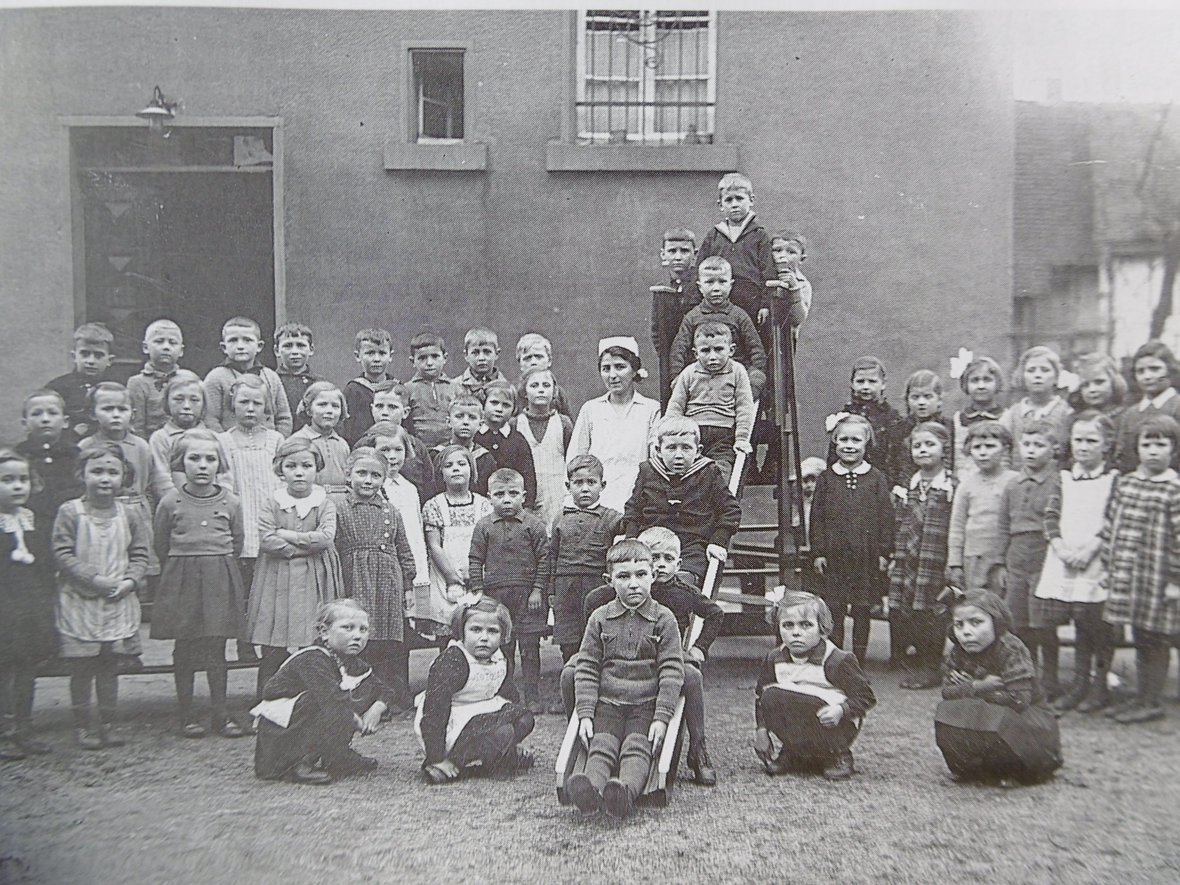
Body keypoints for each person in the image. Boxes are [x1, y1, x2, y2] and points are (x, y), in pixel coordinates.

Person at [564, 540, 684, 818]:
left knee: (636, 748)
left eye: (641, 575)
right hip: (608, 702)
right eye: (623, 576)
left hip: (646, 704)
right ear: (609, 581)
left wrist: (661, 717)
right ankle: (590, 791)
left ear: (653, 576)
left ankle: (624, 793)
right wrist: (585, 714)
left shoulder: (663, 619)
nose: (633, 584)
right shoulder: (599, 618)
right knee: (601, 746)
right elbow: (587, 667)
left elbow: (671, 669)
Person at [152, 428, 249, 738]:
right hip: (182, 578)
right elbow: (161, 542)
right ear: (180, 462)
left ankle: (220, 714)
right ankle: (186, 714)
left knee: (216, 647)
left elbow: (237, 540)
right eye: (194, 459)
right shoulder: (170, 501)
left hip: (219, 576)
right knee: (185, 647)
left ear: (220, 463)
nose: (203, 465)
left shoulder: (231, 501)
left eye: (210, 459)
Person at [52, 443, 149, 749]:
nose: (104, 479)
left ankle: (108, 723)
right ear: (82, 475)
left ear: (124, 476)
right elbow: (61, 552)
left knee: (109, 666)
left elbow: (140, 554)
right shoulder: (70, 512)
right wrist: (93, 579)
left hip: (117, 600)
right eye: (96, 472)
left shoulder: (130, 514)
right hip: (80, 602)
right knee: (82, 669)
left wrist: (130, 581)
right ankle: (83, 725)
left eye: (112, 472)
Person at [252, 599, 389, 784]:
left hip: (313, 715)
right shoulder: (312, 658)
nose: (357, 636)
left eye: (363, 630)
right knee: (326, 701)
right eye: (348, 628)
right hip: (282, 732)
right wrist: (354, 720)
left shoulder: (352, 662)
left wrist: (377, 709)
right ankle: (299, 763)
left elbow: (384, 689)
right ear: (325, 632)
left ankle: (337, 756)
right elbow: (331, 699)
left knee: (359, 691)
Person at [247, 436, 344, 697]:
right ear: (281, 469)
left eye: (306, 466)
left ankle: (313, 703)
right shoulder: (273, 503)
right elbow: (267, 539)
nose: (299, 472)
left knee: (313, 641)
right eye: (291, 466)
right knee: (274, 645)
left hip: (315, 578)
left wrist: (288, 536)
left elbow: (325, 538)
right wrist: (302, 548)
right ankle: (267, 702)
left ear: (317, 468)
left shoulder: (324, 503)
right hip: (277, 580)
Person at [1100, 414, 1180, 724]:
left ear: (1173, 450)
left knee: (1156, 638)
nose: (1153, 451)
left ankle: (1152, 699)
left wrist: (1175, 579)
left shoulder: (1174, 489)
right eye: (1147, 444)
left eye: (1161, 445)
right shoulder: (1127, 482)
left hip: (1158, 579)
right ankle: (1140, 696)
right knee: (1138, 635)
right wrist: (1109, 565)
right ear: (1137, 447)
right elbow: (1112, 525)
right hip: (1128, 576)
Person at [936, 590, 1062, 786]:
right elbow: (947, 692)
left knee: (997, 716)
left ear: (996, 622)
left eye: (976, 622)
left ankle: (1021, 771)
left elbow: (1019, 701)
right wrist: (979, 686)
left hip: (1031, 722)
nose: (966, 632)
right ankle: (971, 769)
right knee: (947, 712)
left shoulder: (1011, 648)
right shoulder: (959, 651)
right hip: (995, 707)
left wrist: (969, 690)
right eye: (959, 625)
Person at [1038, 411, 1118, 714]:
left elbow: (1112, 519)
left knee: (1095, 623)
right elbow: (1051, 516)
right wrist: (1060, 546)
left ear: (1106, 443)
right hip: (1064, 557)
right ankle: (1079, 683)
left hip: (1096, 560)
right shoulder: (1064, 478)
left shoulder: (1112, 479)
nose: (1083, 447)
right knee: (1069, 618)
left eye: (1091, 440)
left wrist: (1090, 551)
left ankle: (1099, 686)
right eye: (1078, 440)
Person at [753, 590, 876, 781]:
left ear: (822, 628)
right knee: (771, 696)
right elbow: (761, 697)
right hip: (799, 721)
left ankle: (838, 755)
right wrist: (761, 730)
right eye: (788, 625)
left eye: (806, 625)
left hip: (833, 723)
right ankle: (794, 751)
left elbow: (866, 697)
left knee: (811, 701)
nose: (796, 632)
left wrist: (841, 710)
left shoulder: (837, 660)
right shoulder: (774, 658)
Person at [415, 597, 536, 784]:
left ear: (503, 634)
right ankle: (449, 763)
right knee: (502, 731)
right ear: (462, 631)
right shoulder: (453, 661)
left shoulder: (499, 658)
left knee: (525, 718)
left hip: (482, 710)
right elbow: (434, 711)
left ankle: (502, 753)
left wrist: (514, 729)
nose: (484, 638)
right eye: (476, 630)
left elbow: (507, 692)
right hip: (454, 722)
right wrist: (436, 756)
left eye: (493, 631)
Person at [810, 414, 893, 666]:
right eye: (843, 439)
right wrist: (818, 552)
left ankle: (859, 661)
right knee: (835, 608)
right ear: (834, 443)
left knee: (862, 609)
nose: (849, 445)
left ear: (866, 444)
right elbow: (817, 518)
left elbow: (885, 518)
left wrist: (884, 552)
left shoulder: (876, 478)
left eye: (856, 440)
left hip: (865, 557)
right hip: (835, 557)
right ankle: (837, 662)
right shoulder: (826, 478)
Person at [336, 448, 415, 711]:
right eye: (362, 473)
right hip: (355, 579)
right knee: (358, 639)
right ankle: (360, 698)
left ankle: (387, 698)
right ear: (348, 475)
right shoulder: (338, 508)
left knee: (386, 640)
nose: (368, 480)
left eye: (375, 475)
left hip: (387, 582)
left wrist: (407, 585)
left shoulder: (391, 511)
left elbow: (404, 550)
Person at [990, 420, 1064, 698]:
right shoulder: (1013, 485)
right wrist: (1000, 562)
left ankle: (1052, 679)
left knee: (1044, 624)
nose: (1031, 451)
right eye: (1027, 444)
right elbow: (1002, 525)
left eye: (1039, 445)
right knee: (1019, 623)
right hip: (1016, 555)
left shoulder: (1059, 481)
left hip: (1044, 556)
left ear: (1054, 449)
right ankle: (1026, 676)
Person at [622, 415, 741, 587]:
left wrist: (718, 541)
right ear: (658, 449)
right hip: (653, 545)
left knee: (682, 584)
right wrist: (631, 540)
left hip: (691, 545)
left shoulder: (708, 472)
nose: (679, 455)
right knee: (636, 578)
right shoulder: (647, 471)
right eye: (671, 448)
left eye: (686, 448)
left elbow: (730, 510)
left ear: (698, 450)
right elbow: (633, 510)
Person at [468, 468, 551, 712]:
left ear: (523, 496)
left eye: (513, 493)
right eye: (500, 494)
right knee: (503, 647)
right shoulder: (484, 526)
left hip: (527, 597)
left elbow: (545, 560)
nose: (506, 499)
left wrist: (538, 590)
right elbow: (475, 559)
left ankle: (532, 695)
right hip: (496, 597)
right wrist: (479, 591)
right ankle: (506, 694)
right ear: (489, 496)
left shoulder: (534, 526)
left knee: (529, 647)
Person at [889, 422, 955, 689]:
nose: (923, 450)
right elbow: (900, 520)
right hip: (909, 556)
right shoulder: (909, 484)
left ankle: (932, 665)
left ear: (944, 449)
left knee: (934, 611)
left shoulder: (950, 485)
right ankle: (918, 660)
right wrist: (896, 553)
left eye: (930, 445)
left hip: (935, 557)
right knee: (911, 609)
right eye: (918, 446)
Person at [0, 448, 57, 759]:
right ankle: (4, 732)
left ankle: (24, 729)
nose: (17, 486)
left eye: (23, 479)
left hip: (29, 608)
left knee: (26, 671)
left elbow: (43, 568)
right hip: (3, 610)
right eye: (7, 480)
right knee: (3, 673)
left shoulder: (30, 519)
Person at [217, 374, 284, 624]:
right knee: (240, 588)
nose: (250, 408)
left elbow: (283, 483)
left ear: (266, 406)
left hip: (268, 525)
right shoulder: (222, 441)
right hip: (240, 522)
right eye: (244, 402)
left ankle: (267, 639)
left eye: (257, 403)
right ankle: (243, 642)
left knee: (268, 589)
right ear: (232, 404)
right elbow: (222, 486)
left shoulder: (276, 440)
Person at [568, 337, 661, 514]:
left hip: (637, 501)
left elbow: (654, 462)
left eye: (620, 367)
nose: (612, 375)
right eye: (606, 369)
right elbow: (576, 459)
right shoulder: (591, 409)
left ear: (634, 370)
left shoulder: (651, 410)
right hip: (597, 503)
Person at [364, 423, 431, 662]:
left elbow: (414, 534)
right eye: (384, 450)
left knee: (403, 633)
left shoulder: (409, 488)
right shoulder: (371, 487)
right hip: (382, 567)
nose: (392, 456)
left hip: (409, 567)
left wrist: (418, 574)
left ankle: (399, 692)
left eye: (398, 450)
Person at [549, 455, 623, 663]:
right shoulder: (560, 518)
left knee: (598, 633)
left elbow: (631, 523)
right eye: (578, 483)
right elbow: (552, 556)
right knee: (569, 637)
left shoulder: (611, 517)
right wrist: (551, 590)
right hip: (566, 586)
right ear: (568, 485)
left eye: (591, 482)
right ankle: (571, 680)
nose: (584, 488)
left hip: (596, 583)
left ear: (602, 485)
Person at [80, 383, 156, 580]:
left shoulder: (141, 446)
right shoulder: (86, 446)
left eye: (122, 409)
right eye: (107, 409)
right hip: (100, 514)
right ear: (92, 414)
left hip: (136, 513)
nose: (116, 414)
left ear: (132, 413)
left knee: (138, 568)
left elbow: (149, 483)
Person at [420, 444, 493, 639]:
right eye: (449, 465)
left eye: (462, 463)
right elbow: (434, 545)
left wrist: (476, 572)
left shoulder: (484, 505)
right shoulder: (434, 505)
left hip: (478, 576)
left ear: (472, 470)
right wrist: (452, 576)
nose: (456, 469)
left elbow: (489, 544)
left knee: (477, 627)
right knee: (449, 634)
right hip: (446, 577)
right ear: (441, 473)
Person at [666, 321, 755, 481]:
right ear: (696, 353)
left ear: (731, 350)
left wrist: (741, 438)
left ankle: (717, 500)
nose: (712, 356)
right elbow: (675, 406)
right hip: (692, 433)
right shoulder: (689, 373)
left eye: (719, 349)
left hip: (723, 434)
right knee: (689, 472)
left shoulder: (737, 371)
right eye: (705, 350)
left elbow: (744, 406)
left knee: (720, 472)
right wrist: (670, 433)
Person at [669, 257, 767, 400]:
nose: (716, 288)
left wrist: (755, 379)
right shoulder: (692, 317)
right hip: (702, 374)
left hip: (734, 375)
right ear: (700, 286)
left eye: (722, 282)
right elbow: (679, 348)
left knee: (757, 377)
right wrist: (677, 377)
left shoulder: (739, 315)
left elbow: (756, 349)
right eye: (709, 282)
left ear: (731, 285)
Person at [694, 172, 775, 332]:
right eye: (729, 200)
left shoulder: (759, 235)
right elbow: (699, 268)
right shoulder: (714, 235)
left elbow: (769, 272)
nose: (734, 204)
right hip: (720, 301)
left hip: (752, 301)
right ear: (721, 205)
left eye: (739, 198)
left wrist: (765, 305)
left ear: (751, 200)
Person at [946, 421, 1019, 592]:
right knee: (977, 603)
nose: (983, 453)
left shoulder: (1015, 481)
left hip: (1004, 557)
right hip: (973, 557)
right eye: (977, 447)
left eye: (990, 446)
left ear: (1005, 449)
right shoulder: (966, 484)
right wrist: (955, 563)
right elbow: (957, 526)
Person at [203, 316, 293, 436]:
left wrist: (277, 443)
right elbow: (210, 419)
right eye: (233, 340)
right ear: (224, 347)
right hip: (231, 448)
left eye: (247, 340)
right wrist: (225, 445)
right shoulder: (215, 377)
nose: (240, 346)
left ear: (259, 346)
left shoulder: (271, 377)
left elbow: (284, 417)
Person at [516, 367, 573, 530]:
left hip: (557, 493)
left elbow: (572, 462)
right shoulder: (516, 424)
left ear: (554, 391)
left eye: (546, 385)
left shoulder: (563, 423)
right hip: (526, 494)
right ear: (524, 392)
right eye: (534, 385)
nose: (540, 389)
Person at [825, 356, 903, 474]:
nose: (866, 387)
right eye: (860, 381)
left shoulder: (892, 418)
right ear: (852, 383)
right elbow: (833, 456)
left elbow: (896, 458)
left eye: (872, 381)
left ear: (883, 384)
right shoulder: (845, 416)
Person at [16, 390, 81, 529]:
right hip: (30, 525)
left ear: (65, 422)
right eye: (36, 414)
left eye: (52, 413)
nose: (45, 419)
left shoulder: (75, 455)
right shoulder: (18, 456)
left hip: (71, 525)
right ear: (24, 423)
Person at [650, 227, 699, 410]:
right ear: (663, 255)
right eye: (672, 251)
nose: (678, 257)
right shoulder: (661, 290)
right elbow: (656, 331)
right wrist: (667, 356)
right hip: (672, 361)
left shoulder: (702, 285)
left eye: (684, 251)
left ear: (694, 255)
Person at [1001, 345, 1073, 470]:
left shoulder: (1067, 413)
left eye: (1045, 370)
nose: (1037, 375)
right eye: (1031, 370)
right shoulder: (1012, 415)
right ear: (1022, 376)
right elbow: (1004, 454)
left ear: (1056, 377)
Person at [1114, 340, 1180, 474]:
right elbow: (1122, 455)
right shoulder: (1130, 414)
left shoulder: (1177, 406)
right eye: (1140, 371)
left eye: (1155, 369)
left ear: (1170, 369)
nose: (1147, 376)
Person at [885, 369, 956, 490]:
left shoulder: (949, 427)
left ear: (939, 400)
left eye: (928, 397)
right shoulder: (899, 429)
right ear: (907, 400)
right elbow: (892, 464)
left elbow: (953, 460)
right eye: (915, 397)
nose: (921, 402)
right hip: (907, 489)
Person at [45, 322, 115, 441]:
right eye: (85, 354)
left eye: (98, 355)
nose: (91, 361)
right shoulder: (57, 388)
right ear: (74, 356)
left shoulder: (115, 389)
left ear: (110, 360)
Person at [474, 379, 537, 509]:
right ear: (483, 404)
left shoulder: (518, 440)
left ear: (514, 409)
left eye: (506, 405)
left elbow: (528, 477)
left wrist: (528, 507)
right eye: (494, 403)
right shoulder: (474, 436)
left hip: (510, 506)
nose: (499, 409)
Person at [365, 383, 434, 496]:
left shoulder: (417, 447)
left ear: (405, 412)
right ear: (372, 409)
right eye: (379, 406)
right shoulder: (364, 444)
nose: (385, 413)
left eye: (392, 407)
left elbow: (428, 486)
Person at [146, 370, 205, 501]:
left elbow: (224, 476)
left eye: (194, 400)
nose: (186, 406)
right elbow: (161, 479)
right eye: (179, 399)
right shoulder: (161, 438)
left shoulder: (213, 438)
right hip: (175, 509)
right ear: (166, 402)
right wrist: (180, 506)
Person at [290, 381, 350, 504]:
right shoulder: (298, 441)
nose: (329, 411)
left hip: (342, 506)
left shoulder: (342, 444)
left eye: (335, 406)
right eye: (322, 405)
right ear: (308, 410)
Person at [949, 354, 1006, 479]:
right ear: (965, 385)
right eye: (975, 380)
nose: (981, 386)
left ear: (997, 383)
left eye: (987, 380)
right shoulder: (958, 420)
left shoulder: (1007, 417)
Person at [127, 319, 187, 438]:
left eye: (172, 342)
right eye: (159, 341)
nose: (166, 347)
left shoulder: (187, 380)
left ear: (181, 351)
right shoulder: (137, 383)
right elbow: (137, 426)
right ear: (145, 347)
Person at [431, 395, 496, 498]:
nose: (465, 422)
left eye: (472, 417)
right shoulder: (437, 455)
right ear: (449, 422)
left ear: (480, 424)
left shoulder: (485, 458)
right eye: (459, 416)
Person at [341, 328, 396, 445]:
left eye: (382, 353)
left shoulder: (397, 387)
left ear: (390, 356)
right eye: (370, 353)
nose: (376, 359)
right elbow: (347, 429)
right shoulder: (353, 390)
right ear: (357, 356)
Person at [404, 332, 459, 448]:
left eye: (435, 356)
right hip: (419, 448)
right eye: (422, 358)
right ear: (412, 361)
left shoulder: (456, 388)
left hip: (451, 448)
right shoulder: (407, 389)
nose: (429, 363)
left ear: (444, 358)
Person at [273, 322, 319, 433]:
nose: (294, 352)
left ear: (311, 349)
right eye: (287, 346)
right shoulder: (271, 381)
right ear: (277, 350)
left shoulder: (319, 383)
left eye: (301, 345)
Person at [514, 332, 572, 417]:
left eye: (539, 357)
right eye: (527, 358)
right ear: (520, 364)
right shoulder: (514, 393)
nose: (533, 362)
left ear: (549, 361)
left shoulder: (558, 393)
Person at [453, 327, 509, 404]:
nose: (481, 358)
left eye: (487, 352)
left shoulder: (506, 387)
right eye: (475, 352)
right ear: (466, 355)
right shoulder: (455, 386)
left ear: (496, 354)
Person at [1067, 352, 1127, 420]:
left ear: (1113, 382)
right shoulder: (1073, 419)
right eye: (1085, 385)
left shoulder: (1127, 417)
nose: (1092, 389)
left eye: (1099, 382)